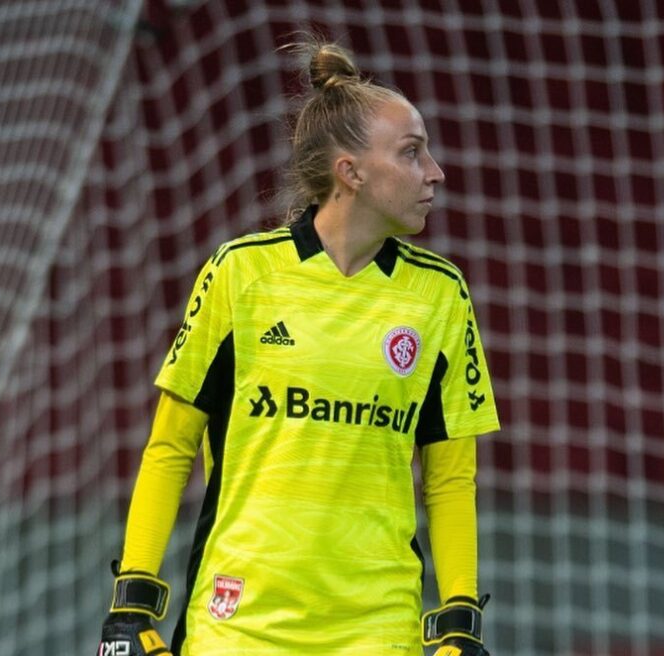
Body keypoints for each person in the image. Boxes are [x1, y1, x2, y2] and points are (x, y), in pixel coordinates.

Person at [97, 36, 500, 656]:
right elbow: (171, 444)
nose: (435, 172)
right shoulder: (240, 274)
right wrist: (131, 603)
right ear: (351, 171)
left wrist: (459, 617)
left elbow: (450, 478)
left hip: (378, 630)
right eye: (413, 153)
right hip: (237, 625)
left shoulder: (440, 295)